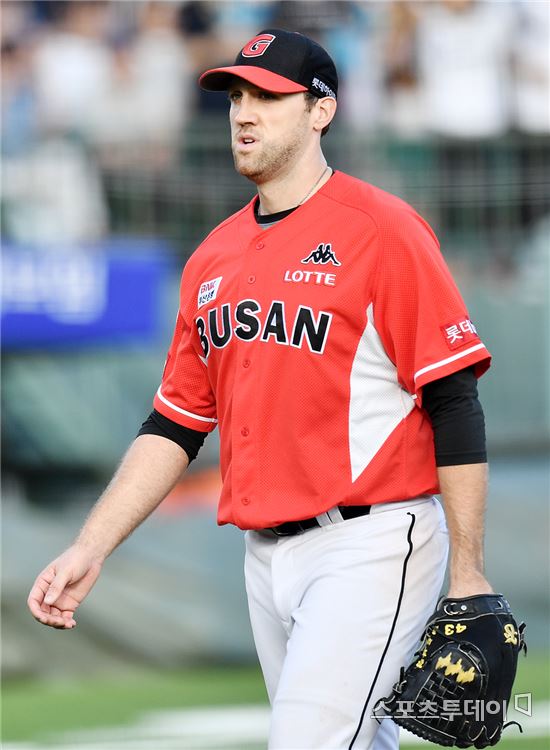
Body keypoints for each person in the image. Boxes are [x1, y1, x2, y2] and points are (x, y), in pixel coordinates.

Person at [28, 29, 494, 749]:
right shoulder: (212, 256)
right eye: (236, 96)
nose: (244, 113)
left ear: (321, 111)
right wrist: (90, 547)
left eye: (269, 97)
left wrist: (468, 572)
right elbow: (175, 424)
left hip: (370, 542)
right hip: (265, 557)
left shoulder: (382, 230)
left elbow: (454, 400)